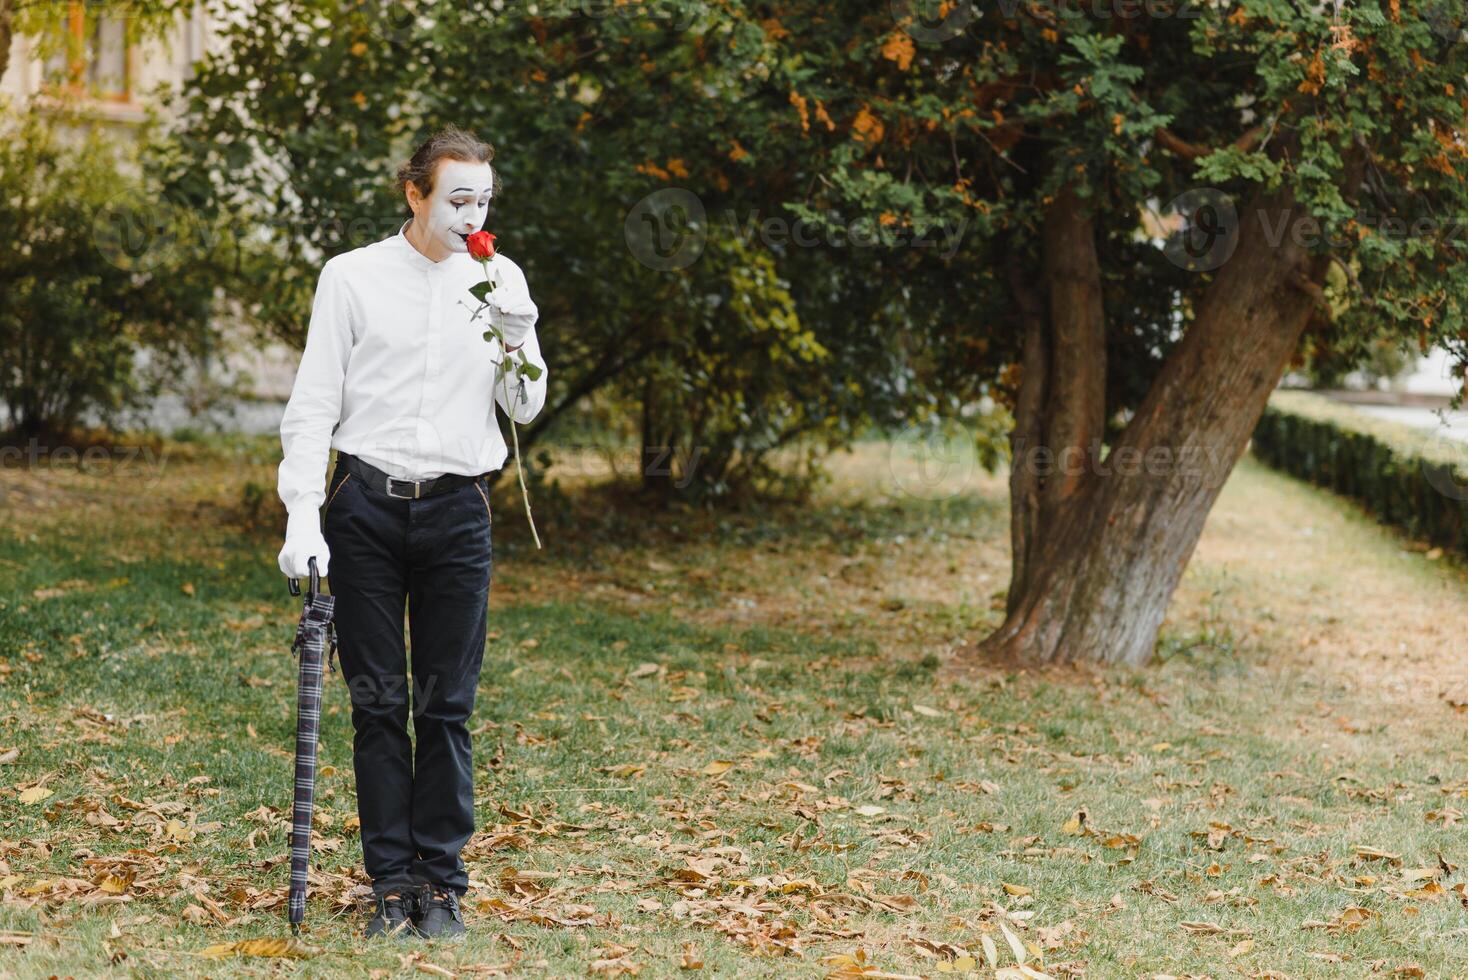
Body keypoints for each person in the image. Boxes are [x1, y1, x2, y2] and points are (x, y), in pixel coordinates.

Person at [274, 125, 548, 940]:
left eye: (484, 200)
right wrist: (301, 513)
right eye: (457, 198)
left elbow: (524, 406)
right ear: (415, 194)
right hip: (363, 507)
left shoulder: (500, 279)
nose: (473, 215)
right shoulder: (352, 278)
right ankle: (391, 883)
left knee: (449, 704)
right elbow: (314, 404)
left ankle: (443, 882)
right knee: (380, 703)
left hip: (459, 510)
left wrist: (519, 332)